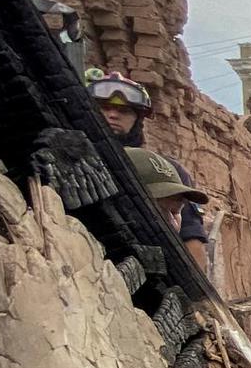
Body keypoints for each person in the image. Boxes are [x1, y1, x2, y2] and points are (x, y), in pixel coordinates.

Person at [88, 69, 208, 271]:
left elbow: (191, 238)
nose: (113, 114)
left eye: (124, 110)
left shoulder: (166, 170)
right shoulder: (77, 162)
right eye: (104, 107)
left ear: (138, 119)